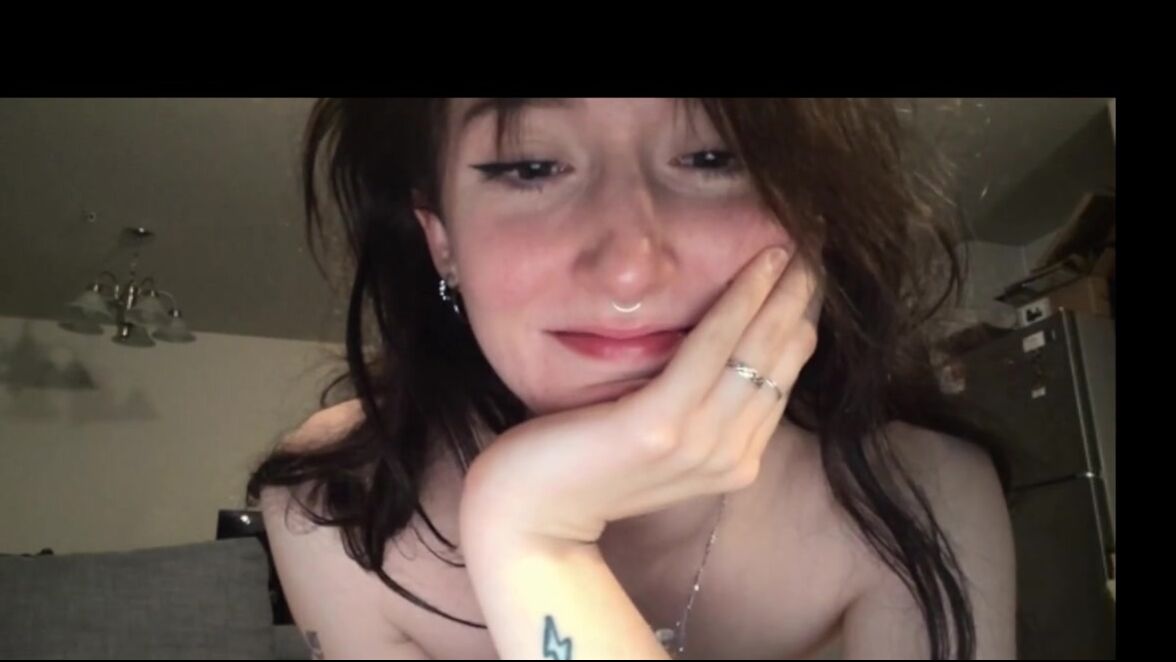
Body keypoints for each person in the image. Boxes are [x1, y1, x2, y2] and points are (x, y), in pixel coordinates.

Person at [246, 98, 1016, 660]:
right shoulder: (336, 510)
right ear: (441, 240)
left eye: (714, 159)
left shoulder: (925, 493)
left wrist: (531, 534)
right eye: (531, 167)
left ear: (812, 222)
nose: (628, 270)